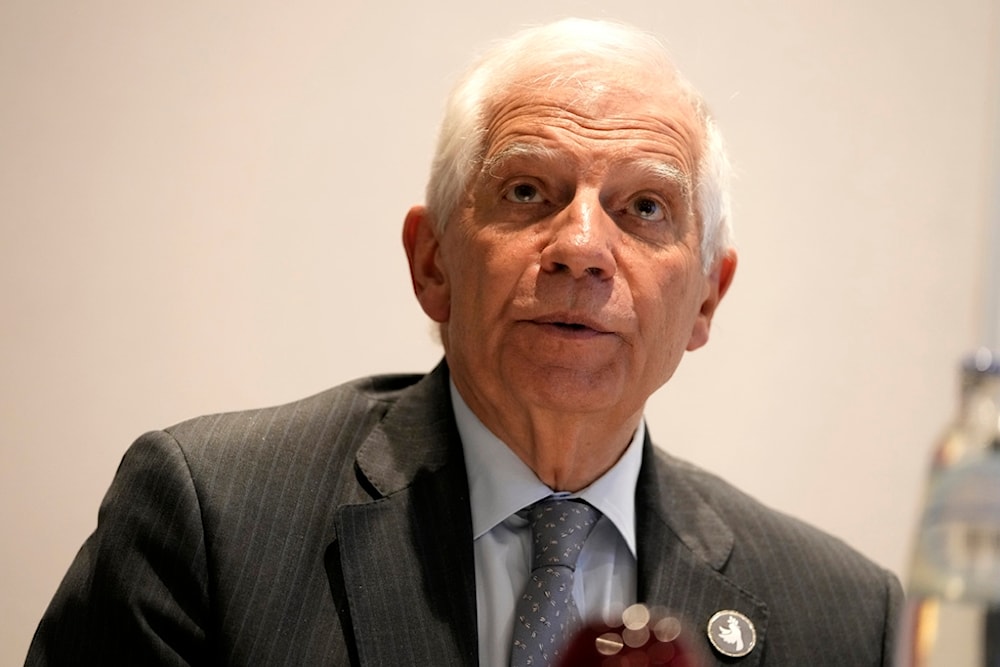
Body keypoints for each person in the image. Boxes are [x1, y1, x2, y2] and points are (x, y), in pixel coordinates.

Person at [26, 17, 901, 667]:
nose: (584, 248)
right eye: (527, 190)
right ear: (433, 261)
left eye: (645, 208)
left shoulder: (840, 617)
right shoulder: (212, 521)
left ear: (706, 298)